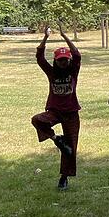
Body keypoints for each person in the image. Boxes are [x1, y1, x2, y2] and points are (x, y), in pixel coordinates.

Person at [31, 23, 81, 191]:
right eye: (60, 60)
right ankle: (56, 139)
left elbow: (77, 54)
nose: (63, 63)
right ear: (55, 61)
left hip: (72, 113)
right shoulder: (51, 72)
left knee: (71, 147)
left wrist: (64, 35)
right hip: (54, 111)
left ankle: (64, 178)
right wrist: (45, 37)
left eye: (65, 60)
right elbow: (39, 57)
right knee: (37, 120)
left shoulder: (73, 71)